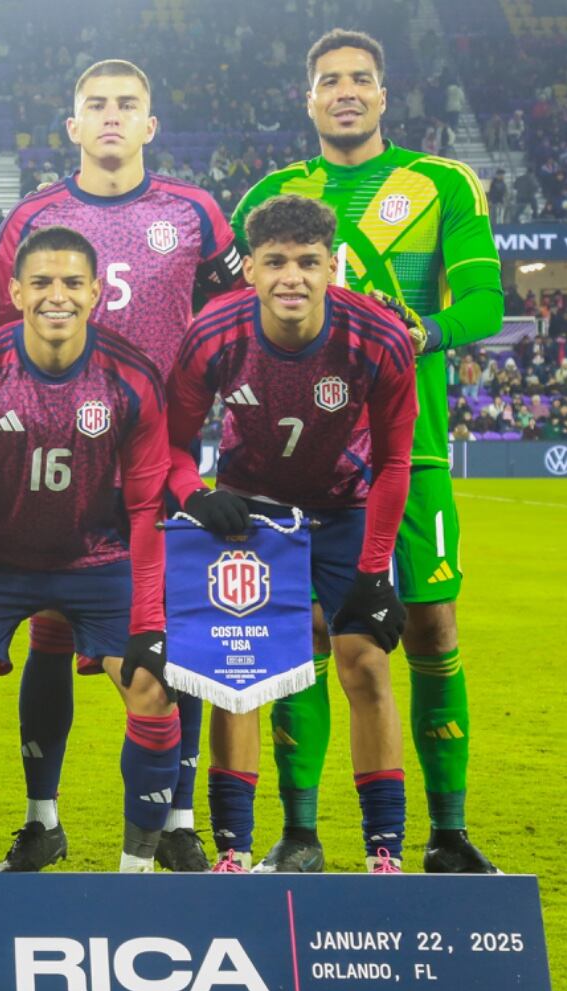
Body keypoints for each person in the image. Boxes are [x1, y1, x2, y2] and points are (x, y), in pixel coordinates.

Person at [0, 58, 244, 874]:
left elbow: (237, 315)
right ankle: (44, 818)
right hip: (42, 448)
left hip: (154, 452)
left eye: (127, 104)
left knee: (166, 650)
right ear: (72, 126)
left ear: (150, 123)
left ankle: (175, 821)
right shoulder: (36, 216)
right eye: (95, 105)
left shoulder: (198, 213)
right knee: (48, 639)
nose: (111, 116)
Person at [231, 29, 503, 874]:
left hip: (406, 451)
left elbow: (486, 304)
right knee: (300, 636)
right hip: (296, 460)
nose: (344, 91)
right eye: (328, 81)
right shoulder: (273, 193)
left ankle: (448, 834)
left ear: (384, 95)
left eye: (360, 79)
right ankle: (299, 831)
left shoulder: (441, 184)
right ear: (308, 99)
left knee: (429, 625)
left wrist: (417, 328)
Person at [167, 194, 417, 874]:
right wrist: (197, 494)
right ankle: (235, 850)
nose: (292, 278)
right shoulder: (213, 334)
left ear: (331, 265)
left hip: (345, 512)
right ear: (249, 268)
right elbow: (172, 445)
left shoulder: (378, 337)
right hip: (252, 515)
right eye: (275, 262)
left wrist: (372, 571)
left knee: (365, 663)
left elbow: (397, 461)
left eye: (308, 262)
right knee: (241, 676)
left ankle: (383, 849)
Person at [0, 225, 173, 873]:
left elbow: (150, 509)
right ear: (14, 291)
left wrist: (149, 626)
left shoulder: (132, 376)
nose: (56, 296)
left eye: (72, 282)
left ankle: (137, 872)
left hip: (98, 561)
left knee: (154, 687)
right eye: (40, 282)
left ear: (98, 291)